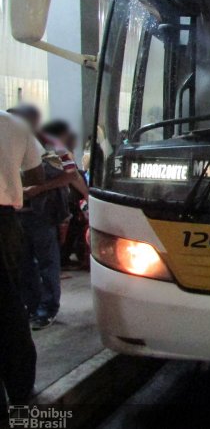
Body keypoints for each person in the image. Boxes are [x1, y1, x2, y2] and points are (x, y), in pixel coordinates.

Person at [8, 106, 83, 330]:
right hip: (17, 212)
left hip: (42, 213)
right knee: (23, 264)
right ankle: (30, 306)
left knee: (47, 261)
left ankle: (48, 308)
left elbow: (71, 174)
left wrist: (39, 189)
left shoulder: (50, 144)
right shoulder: (11, 144)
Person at [0, 109, 44, 410]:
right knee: (9, 303)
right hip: (5, 224)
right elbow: (36, 174)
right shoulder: (15, 123)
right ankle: (20, 388)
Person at [41, 120, 89, 269]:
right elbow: (73, 175)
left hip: (40, 202)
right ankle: (59, 264)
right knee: (59, 237)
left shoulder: (40, 145)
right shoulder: (60, 150)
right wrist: (87, 195)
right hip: (56, 201)